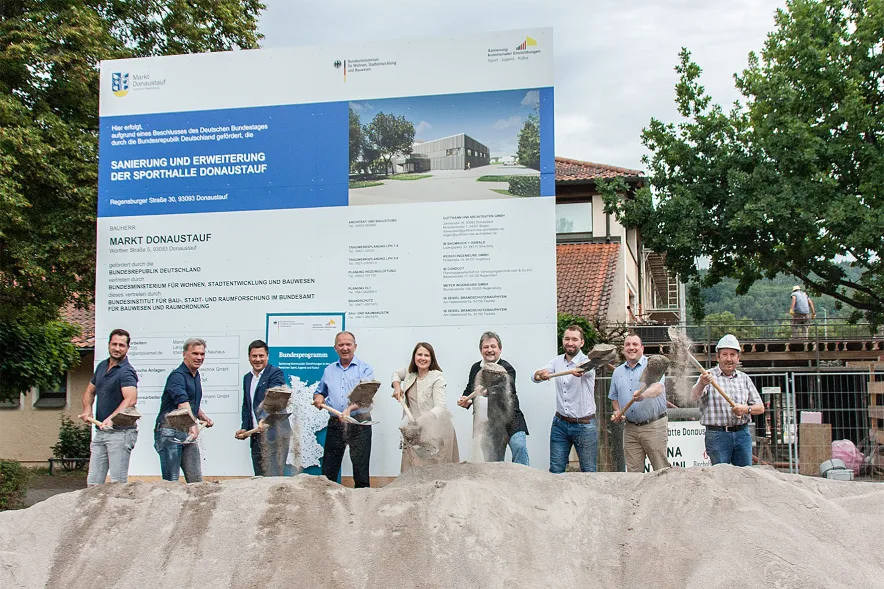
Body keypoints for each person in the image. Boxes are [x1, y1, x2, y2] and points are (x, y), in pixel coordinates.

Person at [312, 331, 375, 488]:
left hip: (359, 422)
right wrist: (318, 397)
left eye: (348, 344)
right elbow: (320, 391)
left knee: (361, 472)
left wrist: (349, 409)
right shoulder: (329, 370)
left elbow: (366, 396)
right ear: (335, 348)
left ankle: (361, 506)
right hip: (335, 423)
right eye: (341, 345)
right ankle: (328, 504)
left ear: (355, 346)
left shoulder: (365, 369)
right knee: (329, 471)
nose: (345, 348)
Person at [690, 334, 764, 467]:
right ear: (718, 357)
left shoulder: (744, 379)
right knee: (720, 476)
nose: (728, 359)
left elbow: (760, 408)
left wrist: (746, 409)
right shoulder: (707, 377)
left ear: (738, 357)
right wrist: (701, 383)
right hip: (717, 436)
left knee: (745, 475)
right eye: (724, 354)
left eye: (732, 354)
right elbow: (693, 397)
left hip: (742, 434)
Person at [532, 325, 598, 473]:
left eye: (574, 339)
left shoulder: (587, 361)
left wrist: (579, 370)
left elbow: (587, 369)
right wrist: (540, 374)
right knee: (556, 470)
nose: (570, 343)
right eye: (567, 339)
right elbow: (534, 377)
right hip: (560, 424)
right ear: (563, 341)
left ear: (581, 342)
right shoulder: (557, 362)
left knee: (589, 471)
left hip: (584, 425)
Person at [78, 328, 139, 485]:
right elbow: (90, 392)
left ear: (127, 348)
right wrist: (87, 409)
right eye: (114, 344)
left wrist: (111, 418)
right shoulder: (102, 367)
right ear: (108, 345)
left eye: (121, 345)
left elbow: (130, 399)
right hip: (101, 432)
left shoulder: (126, 372)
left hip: (121, 433)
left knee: (117, 484)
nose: (117, 348)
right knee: (93, 483)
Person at [458, 331, 529, 464]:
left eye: (493, 346)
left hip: (512, 420)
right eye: (486, 347)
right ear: (481, 350)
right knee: (493, 463)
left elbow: (505, 388)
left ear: (500, 349)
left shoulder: (507, 368)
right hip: (489, 424)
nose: (489, 350)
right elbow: (470, 389)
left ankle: (525, 483)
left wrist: (487, 391)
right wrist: (465, 399)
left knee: (519, 446)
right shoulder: (475, 368)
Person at [391, 342, 460, 473]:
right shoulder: (410, 372)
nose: (422, 358)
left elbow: (440, 407)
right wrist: (397, 387)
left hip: (437, 430)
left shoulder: (437, 377)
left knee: (435, 472)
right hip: (416, 430)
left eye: (426, 355)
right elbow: (396, 374)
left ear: (432, 358)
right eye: (419, 355)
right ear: (414, 357)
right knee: (412, 469)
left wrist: (420, 422)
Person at [155, 338, 214, 482]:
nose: (199, 357)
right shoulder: (177, 376)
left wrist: (202, 416)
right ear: (184, 354)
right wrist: (193, 424)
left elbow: (191, 402)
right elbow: (182, 402)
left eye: (202, 354)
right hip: (170, 432)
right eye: (195, 353)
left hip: (186, 432)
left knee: (196, 480)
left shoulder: (195, 375)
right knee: (171, 482)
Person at [609, 334, 668, 472]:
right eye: (627, 345)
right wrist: (617, 411)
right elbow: (614, 398)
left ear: (642, 348)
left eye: (635, 344)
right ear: (623, 349)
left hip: (653, 426)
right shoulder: (617, 372)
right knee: (633, 473)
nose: (631, 348)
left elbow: (658, 388)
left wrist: (643, 394)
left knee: (661, 470)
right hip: (630, 429)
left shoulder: (653, 365)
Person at [235, 340, 288, 476]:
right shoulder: (247, 378)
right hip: (256, 435)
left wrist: (264, 418)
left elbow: (275, 398)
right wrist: (245, 428)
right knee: (259, 478)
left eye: (261, 356)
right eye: (254, 356)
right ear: (249, 357)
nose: (257, 360)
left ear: (267, 356)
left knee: (273, 477)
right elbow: (247, 405)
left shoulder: (276, 374)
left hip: (274, 434)